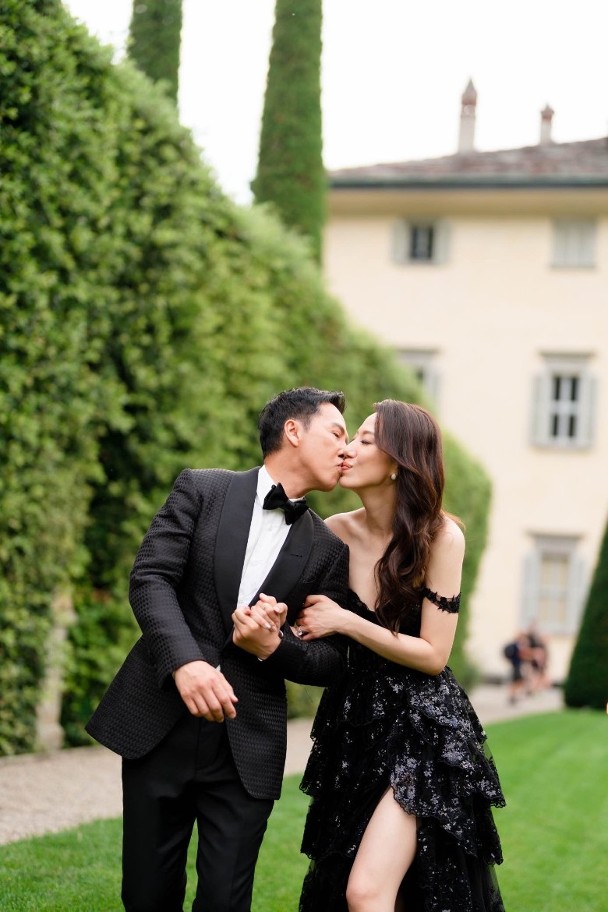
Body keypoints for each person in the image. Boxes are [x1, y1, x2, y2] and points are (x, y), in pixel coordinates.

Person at [86, 387, 350, 912]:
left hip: (247, 745)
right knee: (146, 896)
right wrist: (185, 663)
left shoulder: (328, 548)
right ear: (293, 431)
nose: (347, 449)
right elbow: (150, 578)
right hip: (158, 721)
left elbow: (330, 660)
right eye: (336, 433)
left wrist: (273, 646)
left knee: (226, 902)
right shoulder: (201, 488)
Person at [295, 400, 505, 912]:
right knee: (358, 885)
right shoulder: (330, 532)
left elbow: (433, 654)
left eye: (364, 440)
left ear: (398, 462)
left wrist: (347, 621)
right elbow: (304, 624)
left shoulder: (441, 536)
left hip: (421, 728)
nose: (347, 449)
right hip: (352, 726)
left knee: (366, 891)